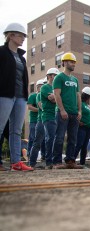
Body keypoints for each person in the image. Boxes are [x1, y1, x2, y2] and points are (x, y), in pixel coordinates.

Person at [0, 23, 33, 171]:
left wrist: (25, 95)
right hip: (5, 94)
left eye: (24, 36)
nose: (23, 38)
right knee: (0, 128)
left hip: (20, 97)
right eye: (20, 35)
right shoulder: (1, 52)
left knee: (16, 130)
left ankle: (16, 163)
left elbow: (23, 77)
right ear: (10, 35)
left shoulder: (21, 57)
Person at [52, 52, 82, 169]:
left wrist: (79, 111)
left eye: (74, 62)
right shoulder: (59, 77)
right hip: (62, 113)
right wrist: (62, 110)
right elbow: (56, 94)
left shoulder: (75, 79)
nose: (73, 64)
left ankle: (70, 161)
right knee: (59, 137)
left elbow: (78, 96)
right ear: (64, 62)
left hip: (74, 113)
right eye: (71, 62)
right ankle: (57, 162)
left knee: (73, 138)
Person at [40, 67, 59, 168]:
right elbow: (52, 98)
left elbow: (56, 98)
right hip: (48, 116)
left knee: (56, 138)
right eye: (54, 75)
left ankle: (54, 161)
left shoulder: (55, 88)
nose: (55, 77)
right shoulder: (45, 87)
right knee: (50, 138)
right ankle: (48, 162)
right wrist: (58, 97)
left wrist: (56, 97)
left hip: (56, 115)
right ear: (49, 76)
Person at [28, 79, 46, 169]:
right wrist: (39, 109)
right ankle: (29, 155)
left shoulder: (44, 95)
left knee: (42, 139)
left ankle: (43, 155)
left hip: (43, 119)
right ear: (37, 87)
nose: (40, 88)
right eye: (39, 86)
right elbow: (29, 106)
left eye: (42, 86)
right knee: (32, 138)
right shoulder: (33, 95)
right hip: (34, 120)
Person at [74, 87, 90, 166]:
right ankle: (72, 160)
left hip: (88, 127)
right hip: (82, 127)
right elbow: (76, 112)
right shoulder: (80, 104)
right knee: (79, 144)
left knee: (85, 145)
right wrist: (78, 122)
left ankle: (82, 162)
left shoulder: (87, 105)